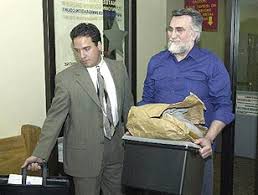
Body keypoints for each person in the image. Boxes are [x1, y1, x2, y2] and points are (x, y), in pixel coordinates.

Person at [22, 23, 134, 195]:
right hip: (84, 157)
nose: (81, 55)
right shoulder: (66, 79)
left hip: (116, 153)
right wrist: (40, 153)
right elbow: (54, 119)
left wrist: (137, 142)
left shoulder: (119, 69)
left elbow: (129, 110)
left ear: (100, 46)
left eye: (87, 48)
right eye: (77, 50)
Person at [139, 8, 234, 195]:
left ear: (195, 34)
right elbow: (147, 101)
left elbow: (224, 106)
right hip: (159, 147)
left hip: (195, 150)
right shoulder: (156, 62)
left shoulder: (212, 64)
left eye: (179, 30)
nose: (172, 35)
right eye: (170, 29)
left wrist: (209, 139)